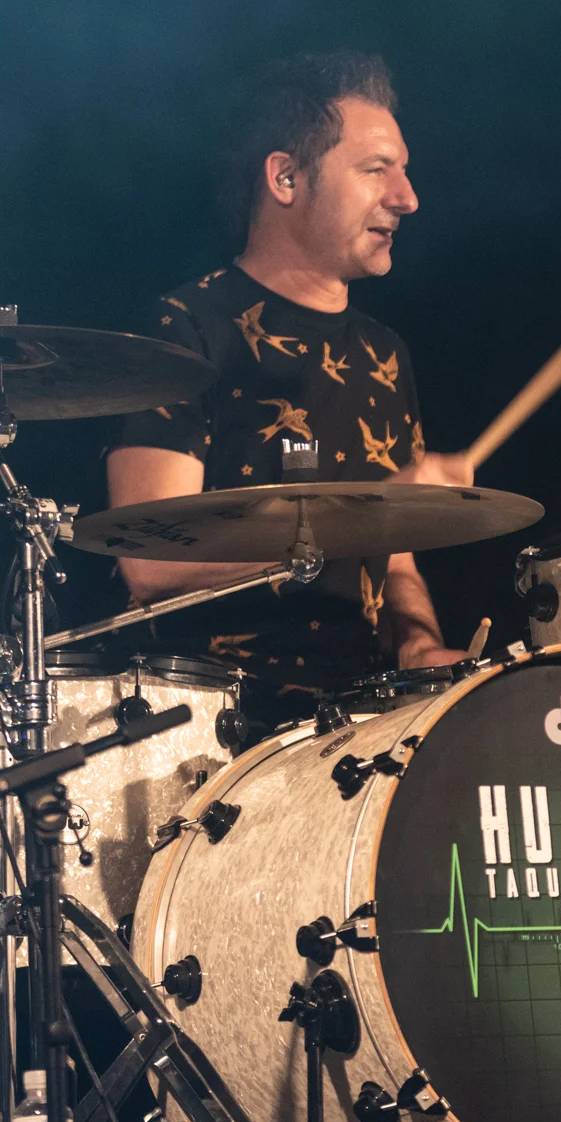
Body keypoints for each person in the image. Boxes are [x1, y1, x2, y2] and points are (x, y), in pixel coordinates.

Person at [105, 52, 473, 731]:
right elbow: (149, 561)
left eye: (403, 170)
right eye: (376, 169)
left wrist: (419, 642)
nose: (406, 197)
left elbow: (394, 561)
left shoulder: (384, 352)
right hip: (217, 728)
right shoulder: (186, 328)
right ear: (286, 177)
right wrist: (365, 517)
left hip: (360, 724)